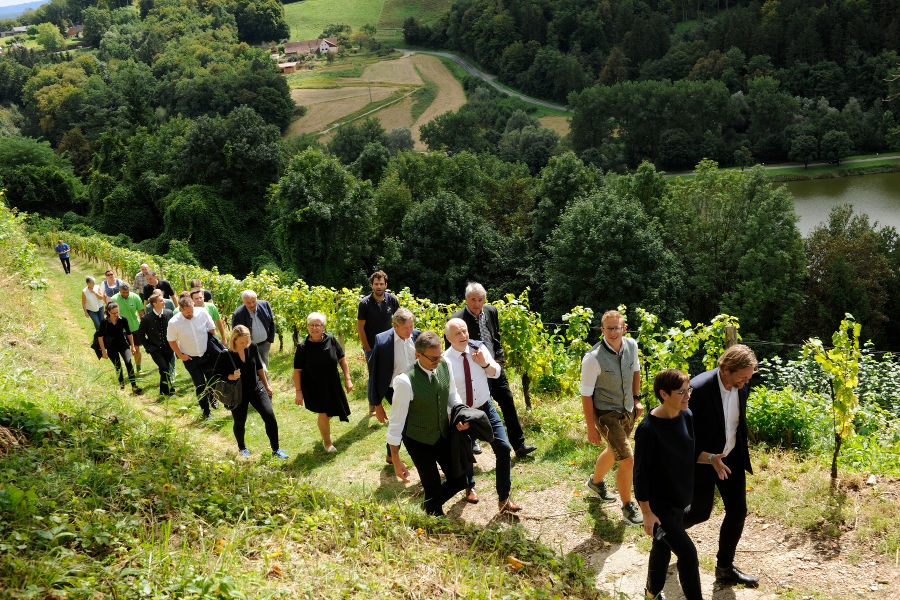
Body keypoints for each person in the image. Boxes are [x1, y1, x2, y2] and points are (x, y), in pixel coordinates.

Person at [683, 344, 760, 588]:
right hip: (702, 461)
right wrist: (707, 457)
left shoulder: (742, 383)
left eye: (749, 377)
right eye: (743, 377)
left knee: (737, 511)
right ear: (726, 369)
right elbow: (682, 433)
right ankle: (666, 532)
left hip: (731, 458)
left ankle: (724, 568)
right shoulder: (698, 388)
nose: (746, 382)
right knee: (699, 513)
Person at [635, 369, 703, 600]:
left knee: (662, 547)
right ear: (664, 394)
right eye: (681, 392)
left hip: (680, 501)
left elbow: (690, 452)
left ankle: (651, 594)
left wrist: (712, 459)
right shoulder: (648, 430)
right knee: (688, 553)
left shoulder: (687, 416)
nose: (687, 396)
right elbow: (640, 476)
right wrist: (646, 513)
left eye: (688, 390)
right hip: (659, 507)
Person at [388, 331, 471, 516]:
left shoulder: (444, 364)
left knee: (460, 480)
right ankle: (434, 516)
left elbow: (452, 394)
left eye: (440, 355)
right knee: (432, 486)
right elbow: (396, 422)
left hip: (442, 434)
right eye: (433, 358)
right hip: (418, 440)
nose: (438, 361)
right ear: (418, 355)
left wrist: (461, 412)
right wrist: (395, 459)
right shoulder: (404, 381)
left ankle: (430, 505)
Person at [450, 283, 537, 458]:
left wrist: (498, 359)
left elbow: (495, 337)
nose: (477, 304)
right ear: (466, 299)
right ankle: (472, 440)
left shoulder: (491, 311)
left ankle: (519, 445)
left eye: (480, 300)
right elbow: (452, 348)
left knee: (507, 400)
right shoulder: (456, 320)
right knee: (472, 404)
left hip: (492, 366)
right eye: (473, 300)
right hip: (473, 370)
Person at [444, 318, 521, 513]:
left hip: (486, 408)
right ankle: (469, 486)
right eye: (458, 333)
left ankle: (504, 498)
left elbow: (496, 373)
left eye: (465, 331)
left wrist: (485, 363)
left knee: (503, 448)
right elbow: (448, 393)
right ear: (448, 337)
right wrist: (454, 417)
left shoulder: (479, 349)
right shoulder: (445, 360)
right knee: (466, 452)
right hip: (464, 412)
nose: (463, 336)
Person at [580, 309, 644, 525]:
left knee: (614, 450)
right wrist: (591, 426)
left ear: (624, 328)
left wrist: (636, 399)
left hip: (627, 409)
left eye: (617, 328)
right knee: (627, 458)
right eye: (609, 328)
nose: (613, 332)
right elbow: (586, 395)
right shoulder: (593, 358)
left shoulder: (631, 345)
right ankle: (627, 507)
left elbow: (636, 371)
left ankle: (596, 482)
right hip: (606, 413)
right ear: (602, 330)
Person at [215, 325, 288, 458]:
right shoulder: (225, 354)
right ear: (234, 340)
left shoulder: (252, 347)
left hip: (256, 388)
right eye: (242, 342)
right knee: (240, 421)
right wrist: (231, 376)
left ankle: (276, 450)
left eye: (247, 341)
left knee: (269, 416)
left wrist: (267, 386)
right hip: (238, 393)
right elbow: (216, 376)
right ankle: (242, 448)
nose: (245, 344)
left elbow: (259, 367)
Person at [293, 312, 353, 452]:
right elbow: (297, 371)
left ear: (323, 327)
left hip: (332, 383)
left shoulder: (331, 340)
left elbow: (342, 359)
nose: (315, 328)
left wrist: (348, 379)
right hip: (313, 386)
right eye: (312, 325)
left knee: (330, 411)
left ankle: (323, 425)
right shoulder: (302, 348)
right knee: (324, 413)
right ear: (307, 327)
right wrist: (298, 392)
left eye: (318, 325)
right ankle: (327, 443)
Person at [368, 308, 420, 461]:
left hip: (415, 385)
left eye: (411, 326)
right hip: (393, 389)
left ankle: (391, 454)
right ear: (395, 326)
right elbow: (374, 374)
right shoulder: (382, 341)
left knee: (403, 419)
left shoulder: (417, 336)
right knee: (404, 420)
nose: (410, 331)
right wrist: (377, 404)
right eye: (406, 328)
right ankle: (398, 453)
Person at [167, 294, 218, 419]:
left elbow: (211, 329)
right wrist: (180, 355)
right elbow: (171, 341)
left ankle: (212, 396)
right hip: (190, 359)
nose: (191, 314)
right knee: (200, 385)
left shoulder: (202, 313)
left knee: (213, 381)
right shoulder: (174, 322)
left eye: (192, 310)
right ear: (181, 310)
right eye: (188, 312)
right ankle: (206, 411)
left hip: (206, 355)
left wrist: (212, 347)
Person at [357, 271, 400, 401]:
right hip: (372, 346)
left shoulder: (392, 300)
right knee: (374, 376)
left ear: (386, 285)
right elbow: (360, 327)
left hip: (389, 345)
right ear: (371, 286)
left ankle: (394, 400)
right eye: (376, 284)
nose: (379, 286)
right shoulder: (364, 303)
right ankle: (373, 404)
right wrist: (367, 348)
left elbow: (399, 321)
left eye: (381, 284)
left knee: (392, 373)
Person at [97, 301, 142, 394]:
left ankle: (134, 386)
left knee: (128, 363)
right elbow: (100, 337)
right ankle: (122, 386)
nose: (116, 314)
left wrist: (133, 346)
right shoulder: (104, 322)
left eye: (117, 312)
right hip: (111, 347)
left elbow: (129, 333)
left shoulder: (123, 319)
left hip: (123, 345)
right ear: (108, 312)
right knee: (118, 367)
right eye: (114, 313)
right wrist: (103, 352)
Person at [139, 294, 175, 396]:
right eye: (161, 301)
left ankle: (165, 390)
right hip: (155, 349)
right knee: (163, 367)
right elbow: (140, 334)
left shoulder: (169, 313)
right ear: (155, 304)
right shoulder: (146, 318)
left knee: (166, 368)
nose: (164, 302)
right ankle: (167, 391)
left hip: (168, 348)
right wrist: (148, 347)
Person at [231, 290, 275, 371]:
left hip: (265, 344)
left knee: (265, 366)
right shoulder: (238, 314)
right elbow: (235, 333)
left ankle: (262, 382)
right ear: (243, 302)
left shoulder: (265, 304)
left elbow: (272, 322)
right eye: (248, 303)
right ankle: (265, 383)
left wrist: (269, 340)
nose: (252, 305)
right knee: (260, 369)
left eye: (253, 301)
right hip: (250, 347)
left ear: (256, 299)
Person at [111, 283, 145, 375]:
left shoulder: (135, 297)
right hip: (121, 330)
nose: (125, 294)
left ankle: (139, 368)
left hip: (134, 327)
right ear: (119, 291)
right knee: (124, 350)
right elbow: (111, 315)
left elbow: (141, 312)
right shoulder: (114, 299)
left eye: (127, 292)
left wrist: (144, 326)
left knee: (136, 349)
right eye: (123, 292)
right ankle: (129, 368)